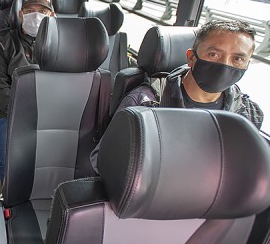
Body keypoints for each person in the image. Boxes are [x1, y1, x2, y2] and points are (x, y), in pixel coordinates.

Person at [90, 19, 264, 172]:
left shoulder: (247, 114)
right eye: (213, 54)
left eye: (238, 59)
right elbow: (102, 160)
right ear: (191, 58)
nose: (225, 65)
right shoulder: (146, 103)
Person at [0, 0, 55, 184]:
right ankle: (12, 204)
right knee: (11, 162)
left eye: (42, 11)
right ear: (20, 14)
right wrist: (24, 112)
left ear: (51, 15)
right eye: (30, 10)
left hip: (52, 114)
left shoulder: (62, 45)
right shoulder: (4, 43)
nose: (36, 16)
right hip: (12, 113)